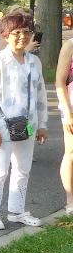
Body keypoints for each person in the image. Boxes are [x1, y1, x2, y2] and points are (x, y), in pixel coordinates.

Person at [0, 9, 48, 229]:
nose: (22, 36)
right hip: (2, 125)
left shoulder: (34, 62)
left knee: (22, 169)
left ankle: (17, 211)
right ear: (5, 35)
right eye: (16, 32)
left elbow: (40, 95)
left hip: (28, 124)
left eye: (26, 32)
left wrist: (42, 124)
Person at [55, 35, 73, 215]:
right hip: (72, 107)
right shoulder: (70, 45)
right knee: (71, 153)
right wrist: (68, 113)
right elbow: (60, 81)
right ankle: (70, 200)